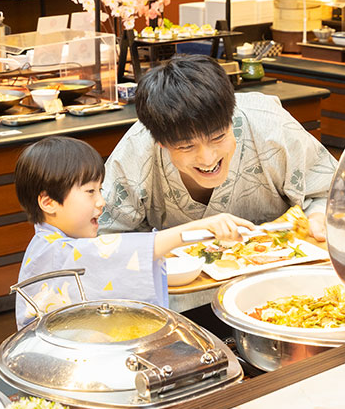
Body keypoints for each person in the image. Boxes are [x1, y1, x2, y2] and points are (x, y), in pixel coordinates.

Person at [13, 136, 256, 328]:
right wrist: (202, 227)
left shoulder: (54, 242)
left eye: (100, 190)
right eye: (90, 192)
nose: (101, 202)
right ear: (48, 203)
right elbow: (116, 253)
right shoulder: (54, 250)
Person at [100, 55, 338, 242]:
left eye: (218, 137)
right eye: (186, 146)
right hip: (176, 287)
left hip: (280, 276)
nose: (207, 158)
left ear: (231, 119)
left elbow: (332, 192)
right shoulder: (137, 149)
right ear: (161, 143)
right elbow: (103, 237)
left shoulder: (272, 127)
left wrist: (318, 218)